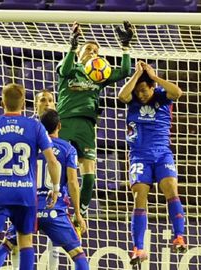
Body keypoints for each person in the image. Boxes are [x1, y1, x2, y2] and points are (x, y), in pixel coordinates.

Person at [0, 83, 60, 270]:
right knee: (26, 243)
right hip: (25, 193)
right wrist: (55, 188)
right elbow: (53, 162)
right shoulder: (35, 126)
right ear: (24, 103)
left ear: (2, 103)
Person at [0, 109, 89, 270]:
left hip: (28, 206)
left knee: (7, 244)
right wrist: (78, 214)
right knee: (78, 254)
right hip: (54, 210)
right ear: (59, 125)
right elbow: (73, 182)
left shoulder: (28, 147)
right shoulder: (68, 149)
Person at [57, 21, 133, 221]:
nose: (93, 52)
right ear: (80, 52)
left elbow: (125, 71)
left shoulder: (100, 75)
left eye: (96, 51)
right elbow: (64, 70)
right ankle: (59, 205)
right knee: (61, 171)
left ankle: (80, 214)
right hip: (64, 123)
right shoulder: (69, 67)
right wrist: (72, 46)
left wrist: (125, 47)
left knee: (89, 176)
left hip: (87, 126)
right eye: (89, 49)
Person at [117, 60, 186, 266]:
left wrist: (154, 77)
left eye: (144, 91)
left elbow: (178, 92)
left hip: (162, 154)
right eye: (138, 91)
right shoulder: (132, 101)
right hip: (139, 156)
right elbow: (122, 95)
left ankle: (179, 236)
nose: (141, 95)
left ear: (152, 88)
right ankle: (138, 248)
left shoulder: (163, 97)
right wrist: (137, 76)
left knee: (172, 191)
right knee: (139, 197)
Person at [0, 89, 62, 270]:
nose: (47, 103)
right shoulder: (27, 128)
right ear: (35, 105)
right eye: (43, 100)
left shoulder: (57, 130)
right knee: (14, 242)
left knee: (51, 240)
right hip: (25, 193)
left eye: (50, 100)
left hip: (45, 196)